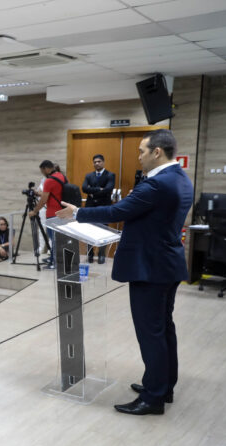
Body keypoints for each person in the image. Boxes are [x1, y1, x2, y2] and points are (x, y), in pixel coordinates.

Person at [56, 129, 193, 416]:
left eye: (142, 151)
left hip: (150, 268)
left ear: (157, 152)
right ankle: (163, 385)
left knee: (151, 333)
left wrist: (77, 212)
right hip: (167, 264)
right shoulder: (181, 178)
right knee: (163, 328)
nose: (139, 156)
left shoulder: (156, 185)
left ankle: (153, 398)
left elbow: (118, 211)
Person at [28, 160, 67, 269]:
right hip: (62, 212)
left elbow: (43, 200)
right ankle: (53, 258)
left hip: (52, 214)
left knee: (53, 239)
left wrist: (34, 211)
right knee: (57, 238)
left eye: (42, 171)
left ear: (46, 169)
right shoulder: (61, 176)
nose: (43, 173)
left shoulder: (49, 181)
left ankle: (54, 262)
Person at [82, 154, 116, 264]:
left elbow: (108, 189)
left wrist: (92, 192)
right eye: (95, 162)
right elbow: (84, 188)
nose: (97, 163)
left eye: (99, 161)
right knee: (89, 231)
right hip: (90, 207)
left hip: (104, 207)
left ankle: (101, 255)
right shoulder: (89, 175)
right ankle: (90, 255)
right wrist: (98, 189)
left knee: (103, 231)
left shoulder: (110, 175)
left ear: (103, 162)